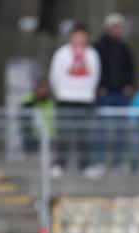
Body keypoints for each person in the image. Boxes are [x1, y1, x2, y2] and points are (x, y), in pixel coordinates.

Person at [49, 23, 101, 177]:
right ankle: (59, 164)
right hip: (65, 98)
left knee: (84, 134)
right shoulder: (62, 53)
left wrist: (89, 93)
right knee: (63, 133)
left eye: (82, 36)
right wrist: (60, 92)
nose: (79, 39)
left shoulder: (92, 54)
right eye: (77, 35)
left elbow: (96, 75)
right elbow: (55, 75)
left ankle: (85, 165)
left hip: (84, 99)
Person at [88, 13, 135, 177]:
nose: (116, 30)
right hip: (105, 94)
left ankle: (118, 161)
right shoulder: (98, 47)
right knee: (101, 129)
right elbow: (94, 69)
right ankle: (100, 160)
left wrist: (129, 85)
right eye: (114, 26)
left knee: (121, 129)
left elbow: (130, 68)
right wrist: (99, 86)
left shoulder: (124, 47)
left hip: (121, 94)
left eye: (118, 27)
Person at [19, 79, 54, 154]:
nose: (42, 91)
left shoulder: (49, 99)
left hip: (47, 131)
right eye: (40, 89)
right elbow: (25, 108)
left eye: (44, 89)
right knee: (31, 152)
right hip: (32, 131)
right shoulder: (29, 97)